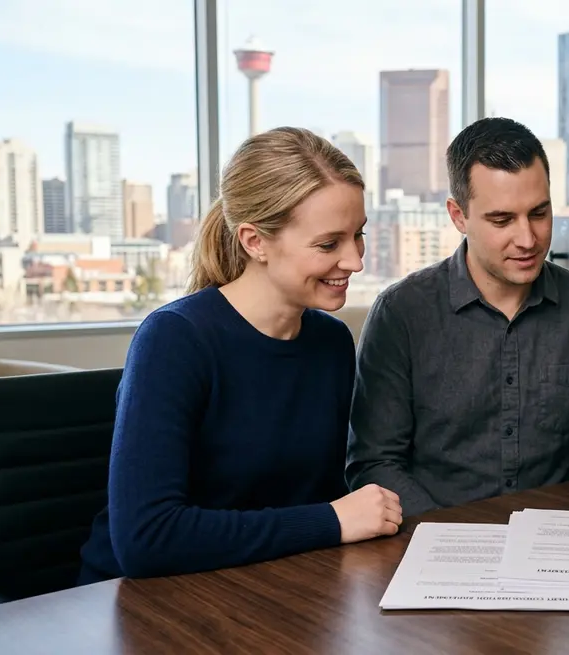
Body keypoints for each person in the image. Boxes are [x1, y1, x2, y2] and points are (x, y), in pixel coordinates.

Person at [78, 127, 402, 584]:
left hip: (265, 584)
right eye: (329, 244)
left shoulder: (331, 342)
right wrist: (331, 521)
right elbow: (147, 539)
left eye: (358, 235)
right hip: (143, 600)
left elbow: (320, 497)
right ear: (254, 241)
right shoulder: (174, 340)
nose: (355, 261)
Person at [346, 116, 569, 517]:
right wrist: (450, 530)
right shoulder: (401, 313)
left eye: (539, 213)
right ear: (458, 216)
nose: (527, 239)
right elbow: (374, 464)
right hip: (432, 535)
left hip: (550, 533)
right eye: (502, 220)